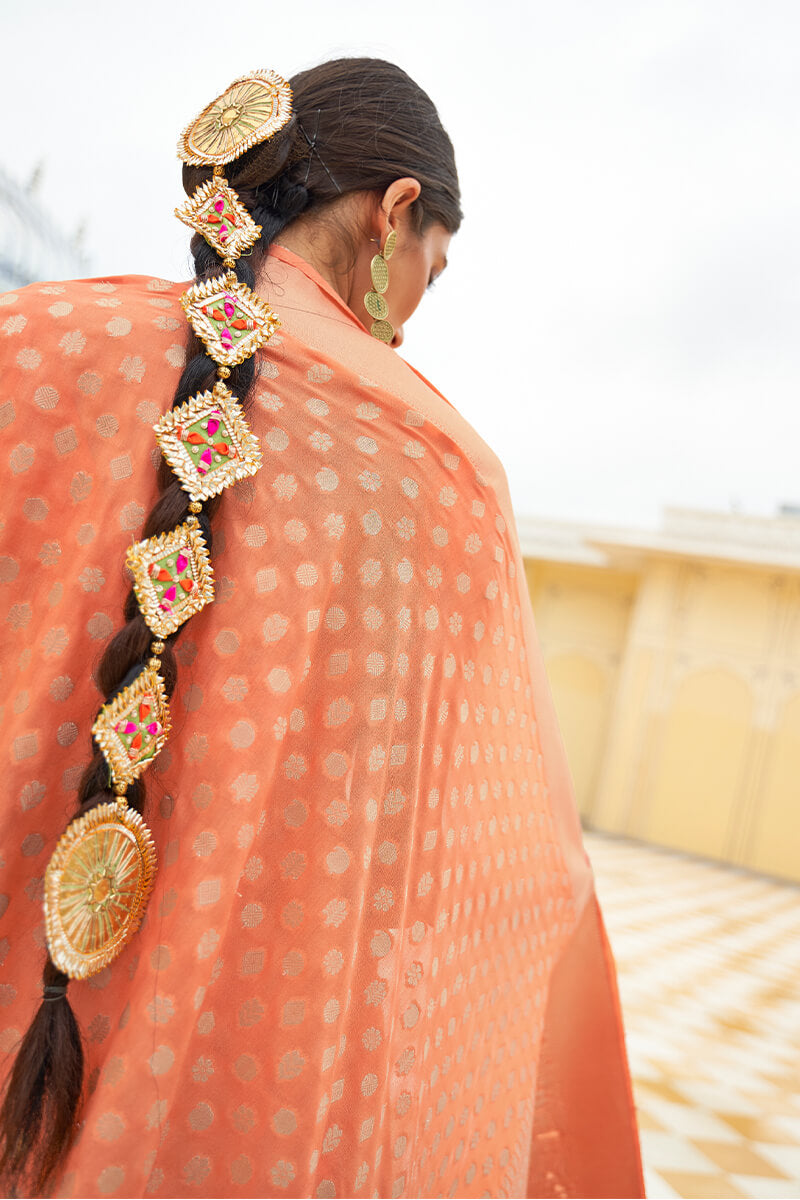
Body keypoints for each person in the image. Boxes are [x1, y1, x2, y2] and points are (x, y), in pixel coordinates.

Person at [0, 59, 644, 1199]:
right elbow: (490, 867)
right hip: (236, 1082)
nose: (411, 318)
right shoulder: (440, 470)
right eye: (428, 269)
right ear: (396, 211)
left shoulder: (33, 341)